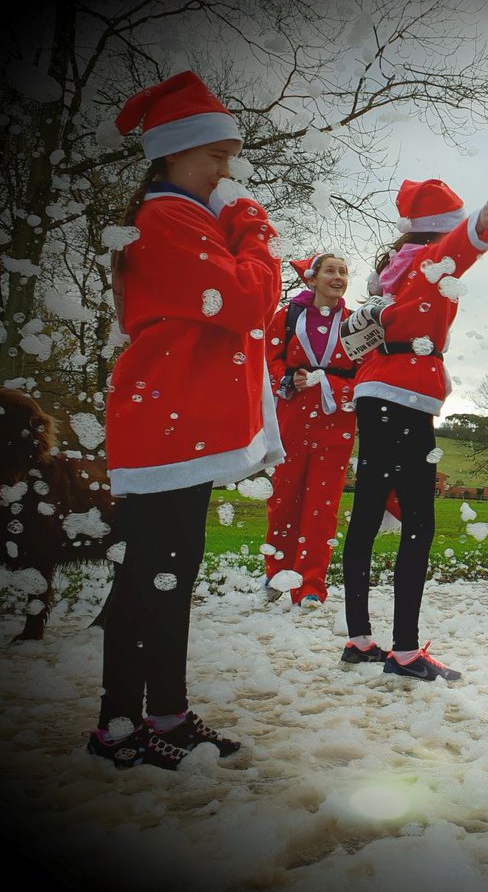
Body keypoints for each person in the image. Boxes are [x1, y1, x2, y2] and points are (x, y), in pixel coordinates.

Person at [87, 71, 282, 769]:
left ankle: (160, 714)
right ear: (173, 155)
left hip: (172, 425)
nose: (226, 172)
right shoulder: (168, 218)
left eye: (229, 158)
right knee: (153, 576)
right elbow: (242, 302)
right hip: (168, 424)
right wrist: (254, 231)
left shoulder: (177, 216)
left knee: (164, 573)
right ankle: (119, 724)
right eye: (216, 158)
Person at [337, 179, 488, 680]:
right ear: (442, 229)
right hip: (406, 395)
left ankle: (359, 638)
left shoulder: (393, 270)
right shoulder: (432, 261)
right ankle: (406, 652)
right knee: (418, 521)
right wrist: (478, 224)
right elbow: (457, 248)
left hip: (374, 392)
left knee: (367, 513)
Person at [262, 253, 357, 609]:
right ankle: (276, 573)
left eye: (343, 272)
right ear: (312, 279)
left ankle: (312, 583)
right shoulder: (286, 317)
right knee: (283, 497)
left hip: (338, 419)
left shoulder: (355, 323)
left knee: (323, 504)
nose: (338, 277)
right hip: (292, 414)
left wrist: (329, 382)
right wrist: (288, 377)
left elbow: (364, 372)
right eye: (330, 271)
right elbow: (267, 359)